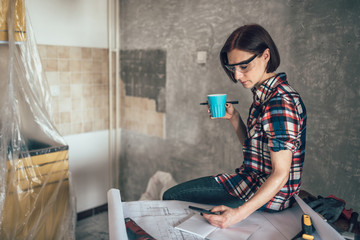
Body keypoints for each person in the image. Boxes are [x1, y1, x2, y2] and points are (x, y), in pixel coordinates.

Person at [162, 24, 307, 229]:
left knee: (172, 196)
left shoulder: (279, 101)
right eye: (233, 68)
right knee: (177, 198)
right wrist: (235, 118)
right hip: (250, 180)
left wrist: (237, 214)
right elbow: (256, 153)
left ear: (266, 55)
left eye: (244, 66)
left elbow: (281, 173)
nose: (237, 76)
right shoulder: (265, 95)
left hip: (268, 196)